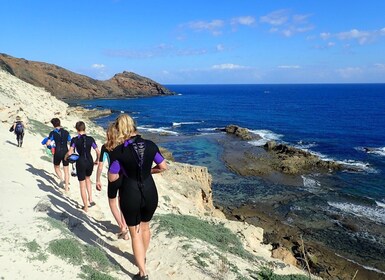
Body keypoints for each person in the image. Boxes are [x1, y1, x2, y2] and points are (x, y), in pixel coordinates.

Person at [112, 114, 167, 280]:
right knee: (145, 227)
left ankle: (142, 273)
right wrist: (148, 171)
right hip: (150, 191)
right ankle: (142, 257)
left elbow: (113, 178)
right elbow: (163, 167)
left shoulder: (118, 151)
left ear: (120, 129)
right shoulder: (150, 145)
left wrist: (125, 173)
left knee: (134, 232)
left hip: (130, 192)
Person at [96, 122, 128, 240]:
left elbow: (100, 166)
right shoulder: (124, 145)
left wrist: (98, 180)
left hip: (113, 177)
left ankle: (122, 227)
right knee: (122, 201)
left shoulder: (105, 147)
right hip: (124, 176)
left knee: (112, 202)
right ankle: (125, 228)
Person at [65, 121, 100, 212]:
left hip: (81, 162)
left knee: (82, 185)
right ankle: (91, 199)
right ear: (84, 128)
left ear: (77, 129)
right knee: (88, 178)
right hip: (89, 161)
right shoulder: (91, 139)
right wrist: (96, 160)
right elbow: (98, 152)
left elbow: (70, 152)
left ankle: (85, 206)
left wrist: (65, 157)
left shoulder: (75, 140)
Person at [45, 118, 71, 191]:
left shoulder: (52, 133)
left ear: (53, 125)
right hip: (66, 152)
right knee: (66, 170)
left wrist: (48, 147)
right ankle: (66, 188)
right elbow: (70, 141)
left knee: (56, 167)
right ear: (60, 123)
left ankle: (61, 179)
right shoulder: (66, 132)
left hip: (58, 152)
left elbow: (48, 143)